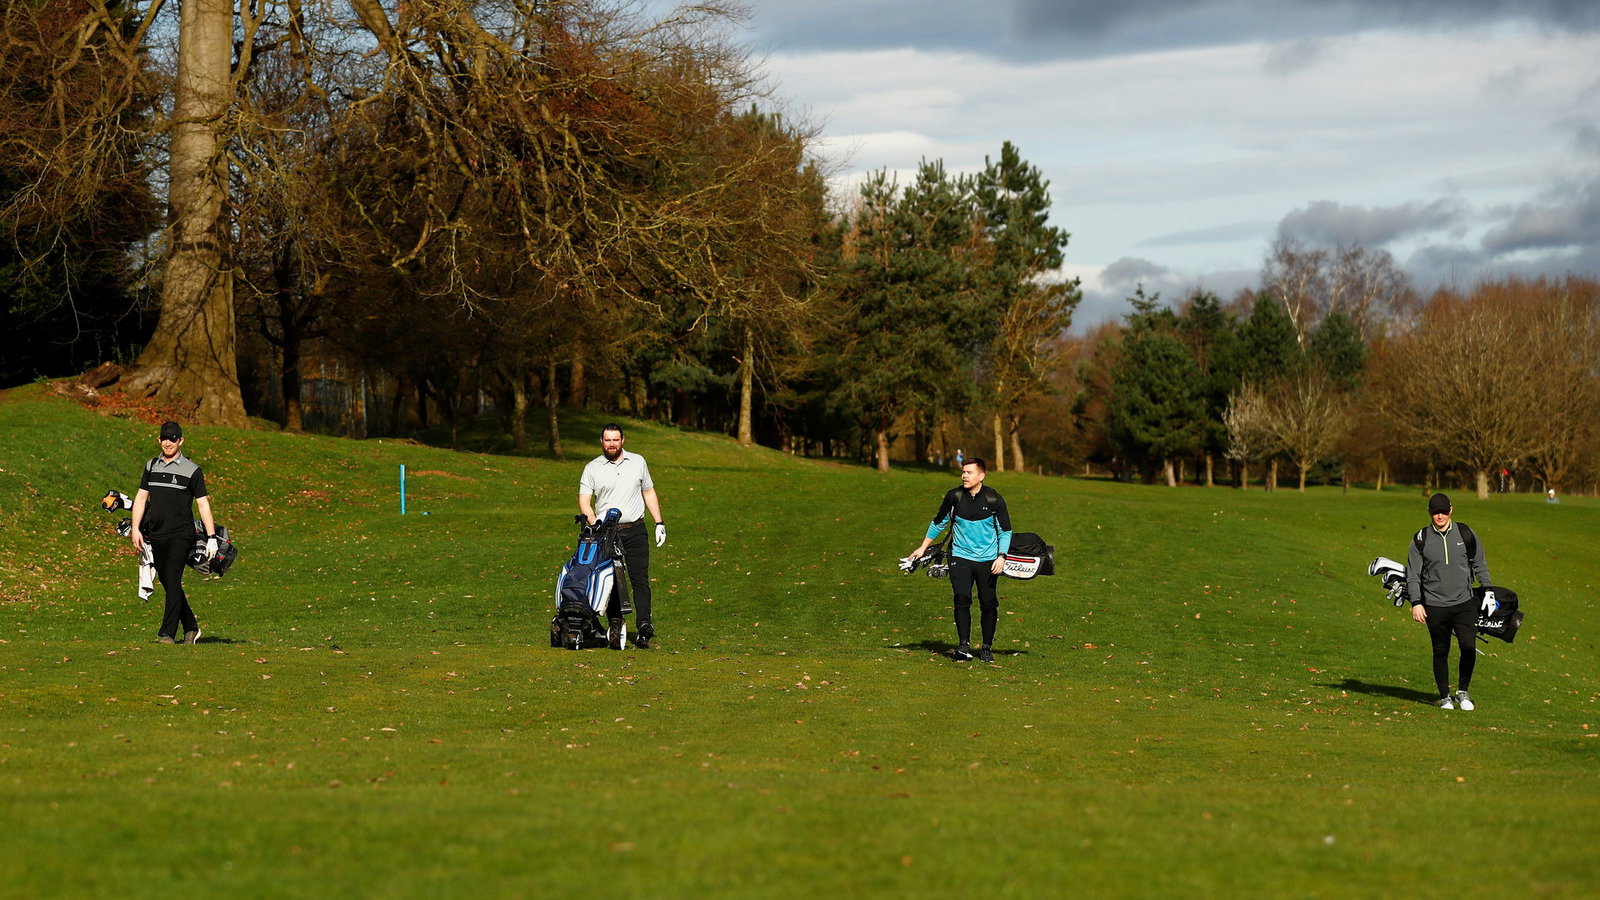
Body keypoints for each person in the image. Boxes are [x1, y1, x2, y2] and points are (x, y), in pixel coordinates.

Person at [908, 458, 1012, 663]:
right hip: (960, 557)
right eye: (963, 472)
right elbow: (938, 523)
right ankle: (964, 646)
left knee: (988, 602)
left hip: (988, 560)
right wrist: (922, 548)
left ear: (981, 476)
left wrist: (1002, 556)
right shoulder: (954, 497)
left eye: (969, 472)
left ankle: (986, 647)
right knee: (961, 599)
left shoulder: (994, 499)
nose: (964, 475)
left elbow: (1006, 531)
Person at [129, 421, 217, 645]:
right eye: (165, 438)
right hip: (157, 534)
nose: (168, 442)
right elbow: (141, 498)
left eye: (173, 438)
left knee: (173, 579)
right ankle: (191, 627)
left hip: (181, 534)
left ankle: (167, 634)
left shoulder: (192, 470)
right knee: (169, 583)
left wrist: (211, 537)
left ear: (181, 441)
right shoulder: (151, 466)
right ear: (159, 440)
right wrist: (136, 528)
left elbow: (203, 504)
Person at [578, 424, 666, 648]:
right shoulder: (592, 468)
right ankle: (616, 624)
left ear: (623, 440)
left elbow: (648, 491)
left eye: (615, 440)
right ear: (601, 441)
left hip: (636, 529)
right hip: (607, 533)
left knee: (640, 580)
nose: (611, 444)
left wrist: (659, 522)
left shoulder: (638, 462)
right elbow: (584, 501)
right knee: (612, 581)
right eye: (607, 440)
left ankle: (644, 624)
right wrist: (594, 524)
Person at [1405, 492, 1492, 710]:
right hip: (1434, 605)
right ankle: (1445, 696)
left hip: (1464, 603)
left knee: (1468, 646)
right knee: (1440, 650)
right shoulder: (1420, 540)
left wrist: (1488, 589)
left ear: (1451, 510)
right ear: (1429, 513)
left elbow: (1479, 563)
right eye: (1436, 512)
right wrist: (1416, 602)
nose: (1440, 516)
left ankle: (1463, 692)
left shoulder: (1465, 533)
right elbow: (1413, 575)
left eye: (1444, 511)